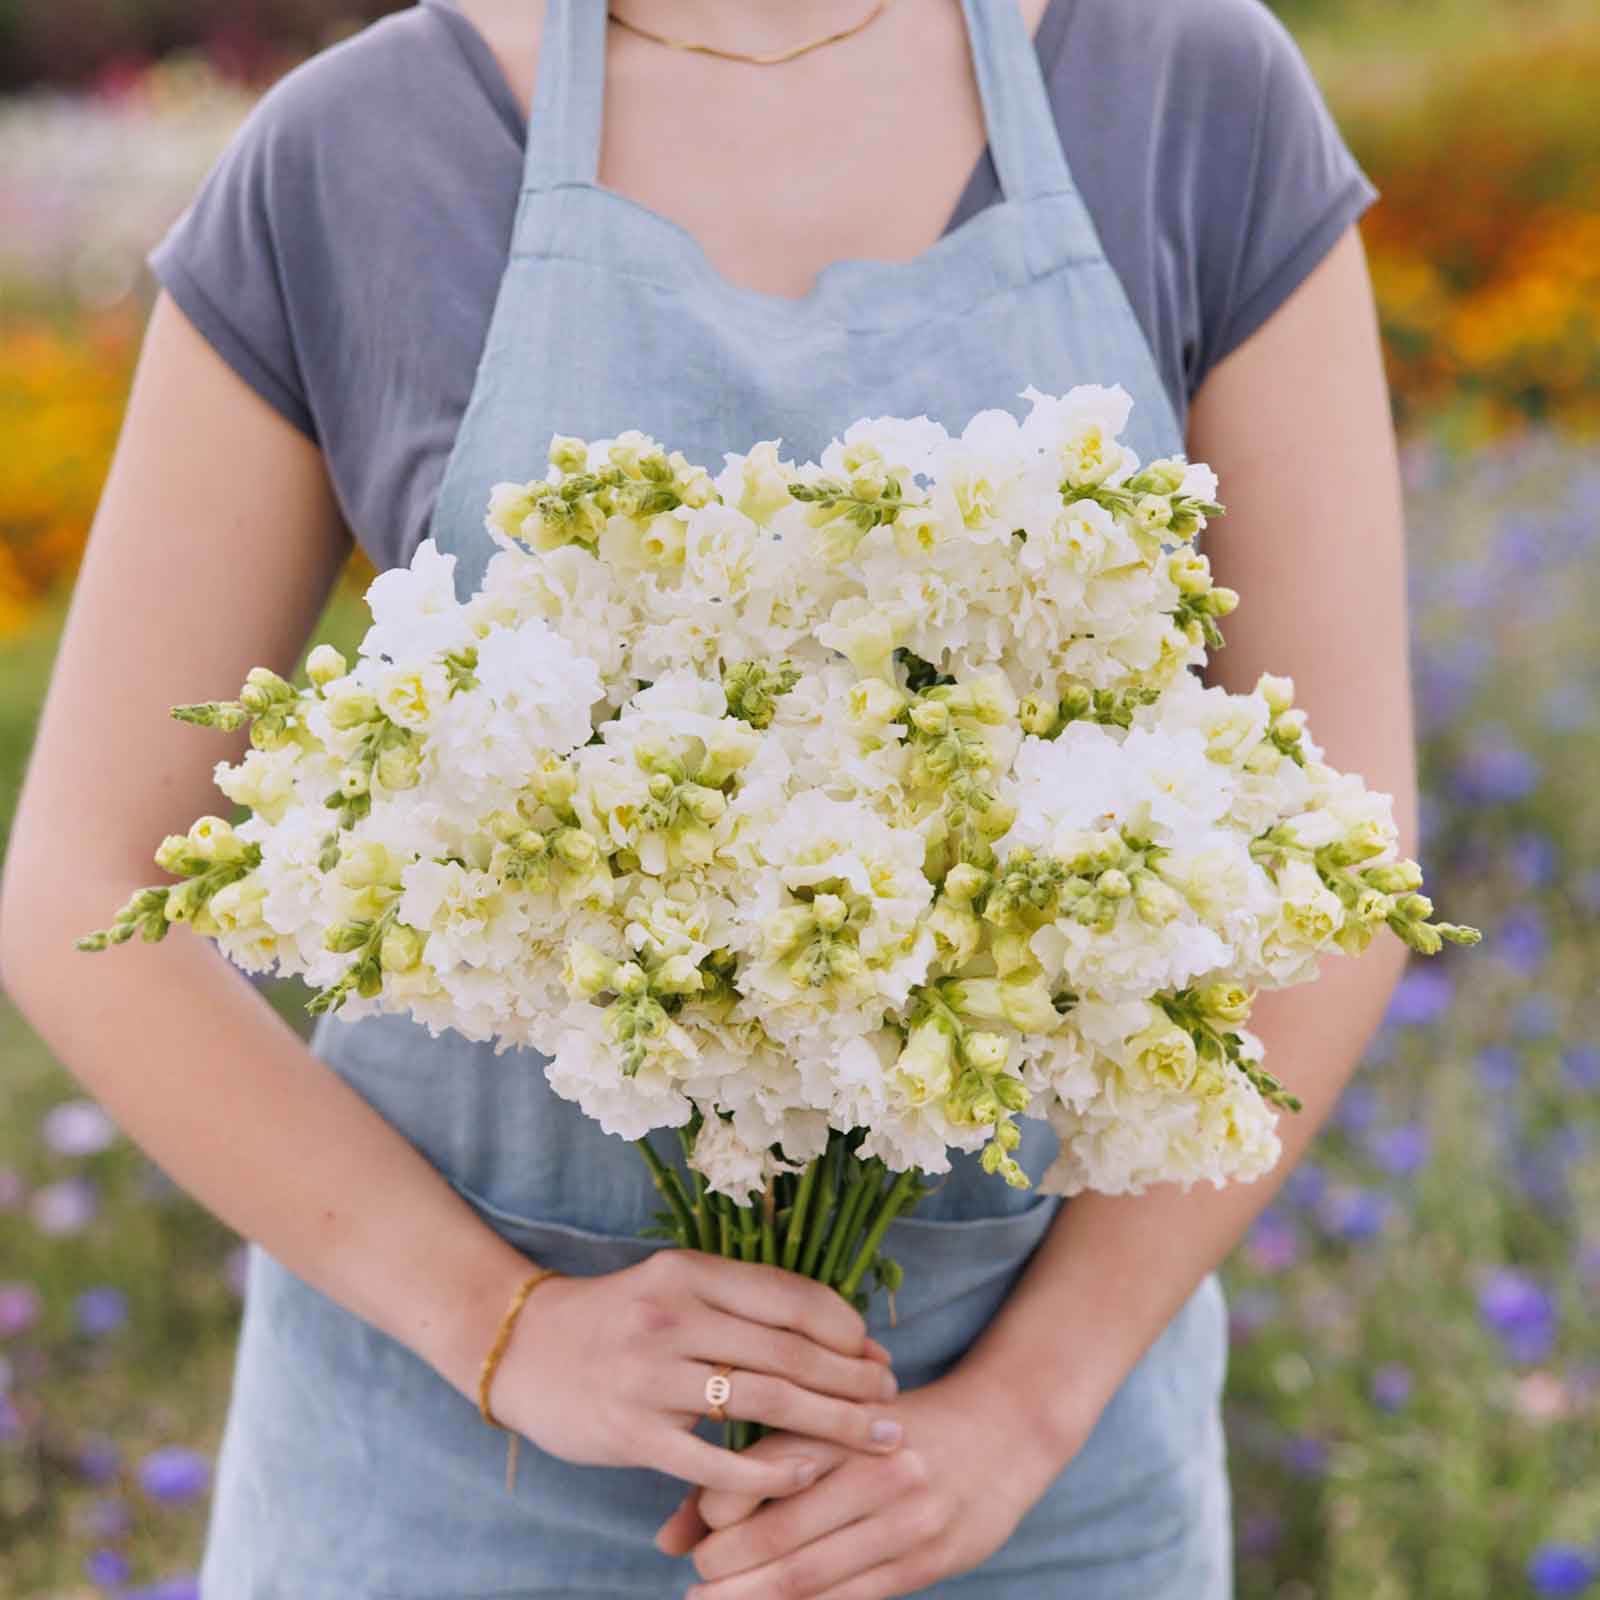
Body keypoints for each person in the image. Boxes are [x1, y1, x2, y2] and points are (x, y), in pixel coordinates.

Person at [0, 0, 1417, 1593]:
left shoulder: (1187, 94)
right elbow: (83, 889)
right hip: (450, 1477)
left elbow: (1341, 851)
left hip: (1028, 1475)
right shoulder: (362, 152)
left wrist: (1022, 1414)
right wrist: (503, 1323)